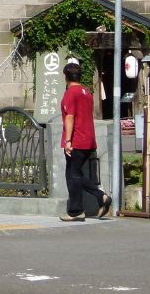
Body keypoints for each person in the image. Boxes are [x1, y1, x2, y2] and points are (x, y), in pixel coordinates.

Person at [59, 63, 112, 222]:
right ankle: (98, 198)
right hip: (89, 138)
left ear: (66, 77)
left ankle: (77, 210)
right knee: (75, 174)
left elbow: (70, 117)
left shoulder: (70, 93)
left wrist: (68, 141)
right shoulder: (86, 92)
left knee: (73, 175)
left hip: (77, 139)